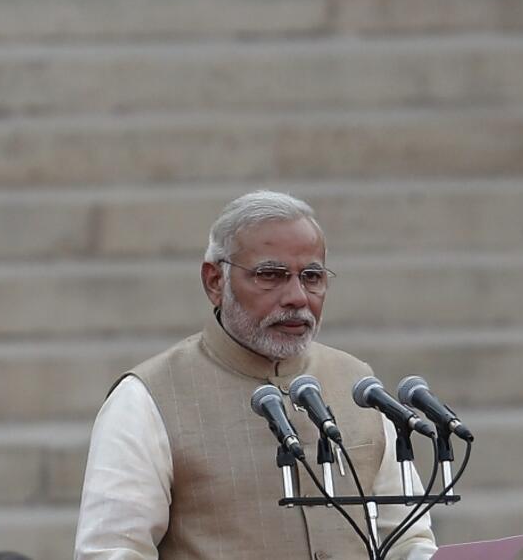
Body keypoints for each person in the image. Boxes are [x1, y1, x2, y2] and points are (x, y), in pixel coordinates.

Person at [75, 190, 437, 559]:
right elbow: (111, 551)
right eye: (271, 275)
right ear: (215, 282)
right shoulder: (147, 398)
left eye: (311, 276)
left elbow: (408, 540)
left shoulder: (357, 385)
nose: (297, 296)